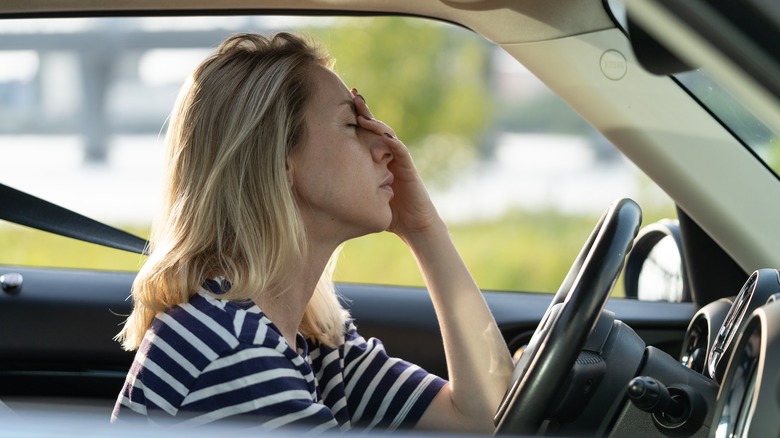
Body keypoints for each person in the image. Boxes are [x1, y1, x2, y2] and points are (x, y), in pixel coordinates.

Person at [112, 32, 513, 432]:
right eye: (352, 124)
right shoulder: (235, 356)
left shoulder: (312, 344)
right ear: (279, 160)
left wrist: (424, 229)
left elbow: (484, 417)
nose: (386, 145)